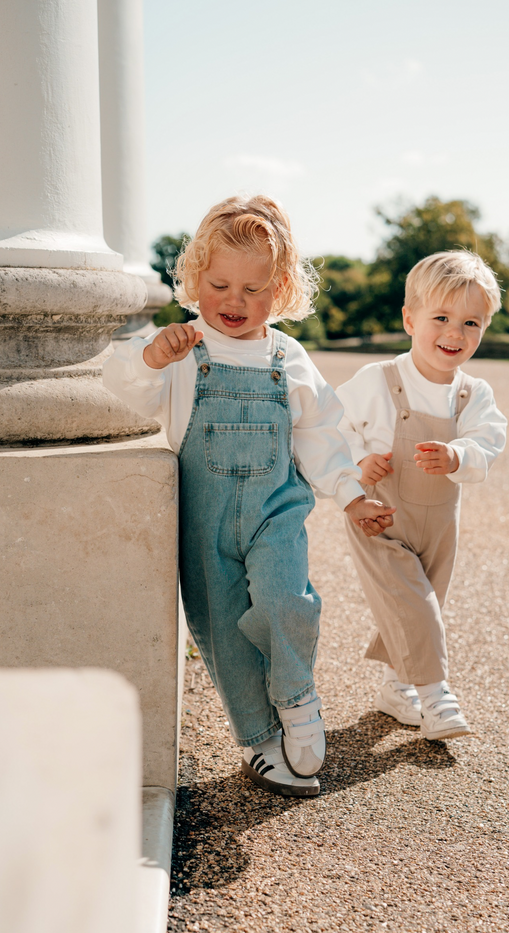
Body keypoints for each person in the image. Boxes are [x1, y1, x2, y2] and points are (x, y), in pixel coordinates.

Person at [103, 195, 394, 797]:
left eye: (253, 289)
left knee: (287, 600)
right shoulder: (183, 349)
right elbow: (124, 388)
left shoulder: (288, 357)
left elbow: (320, 436)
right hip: (202, 521)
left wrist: (351, 495)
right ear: (195, 279)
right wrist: (150, 359)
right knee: (222, 631)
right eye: (219, 285)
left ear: (280, 288)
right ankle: (261, 740)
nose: (233, 301)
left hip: (274, 512)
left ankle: (297, 697)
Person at [336, 250, 507, 740]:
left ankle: (397, 688)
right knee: (414, 602)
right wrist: (356, 464)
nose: (455, 333)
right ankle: (436, 696)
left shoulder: (473, 393)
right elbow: (330, 430)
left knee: (422, 600)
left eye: (471, 323)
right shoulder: (378, 381)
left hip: (440, 522)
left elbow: (489, 439)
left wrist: (458, 456)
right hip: (379, 515)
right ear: (410, 320)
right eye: (441, 318)